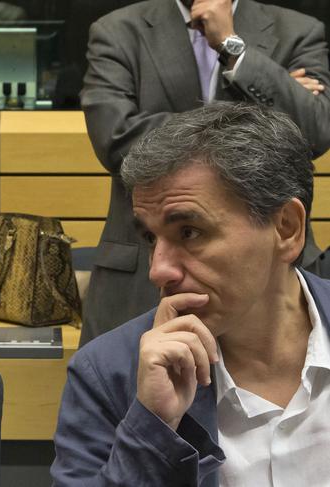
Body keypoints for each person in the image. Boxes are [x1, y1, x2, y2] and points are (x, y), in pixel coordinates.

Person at [52, 102, 330, 486]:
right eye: (151, 238)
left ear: (285, 229)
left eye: (189, 232)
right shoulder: (109, 374)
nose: (158, 270)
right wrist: (152, 428)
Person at [79, 0, 330, 346]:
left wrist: (232, 46)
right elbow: (116, 139)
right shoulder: (118, 30)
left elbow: (314, 132)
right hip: (139, 276)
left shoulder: (298, 30)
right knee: (130, 392)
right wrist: (268, 88)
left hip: (269, 272)